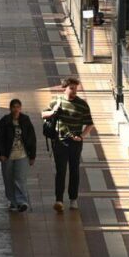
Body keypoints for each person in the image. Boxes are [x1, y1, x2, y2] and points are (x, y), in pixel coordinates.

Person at [42, 77, 94, 212]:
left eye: (76, 88)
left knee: (74, 170)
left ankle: (73, 199)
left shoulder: (82, 104)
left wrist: (82, 136)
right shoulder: (56, 101)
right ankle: (59, 199)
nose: (74, 90)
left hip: (75, 142)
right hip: (60, 141)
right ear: (64, 88)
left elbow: (89, 123)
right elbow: (43, 114)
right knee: (61, 171)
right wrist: (54, 111)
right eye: (71, 88)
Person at [0, 99, 37, 212]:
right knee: (8, 179)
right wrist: (0, 154)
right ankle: (13, 202)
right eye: (14, 107)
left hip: (22, 155)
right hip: (8, 156)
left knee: (20, 179)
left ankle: (22, 202)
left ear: (21, 108)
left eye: (18, 107)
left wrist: (32, 155)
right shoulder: (4, 121)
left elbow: (32, 138)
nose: (16, 109)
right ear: (10, 108)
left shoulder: (25, 120)